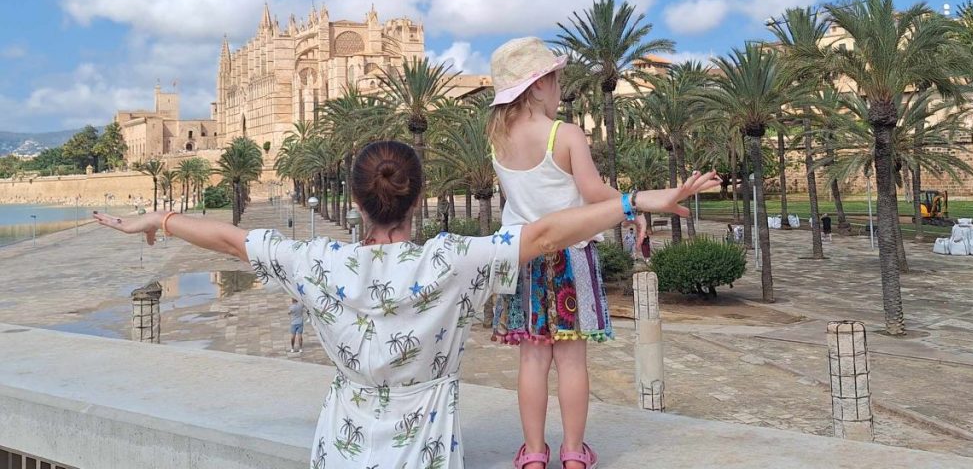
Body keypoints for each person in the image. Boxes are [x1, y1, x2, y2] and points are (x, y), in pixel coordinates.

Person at [94, 139, 719, 469]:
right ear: (416, 198)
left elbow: (232, 241)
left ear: (358, 202)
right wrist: (639, 201)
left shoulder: (319, 263)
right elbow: (550, 233)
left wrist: (162, 218)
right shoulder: (449, 262)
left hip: (337, 453)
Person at [486, 37, 647, 469]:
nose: (560, 90)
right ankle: (574, 453)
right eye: (556, 81)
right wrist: (631, 206)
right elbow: (594, 194)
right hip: (571, 257)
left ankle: (534, 454)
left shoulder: (498, 142)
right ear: (538, 86)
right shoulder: (566, 134)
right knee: (572, 360)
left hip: (523, 257)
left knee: (533, 359)